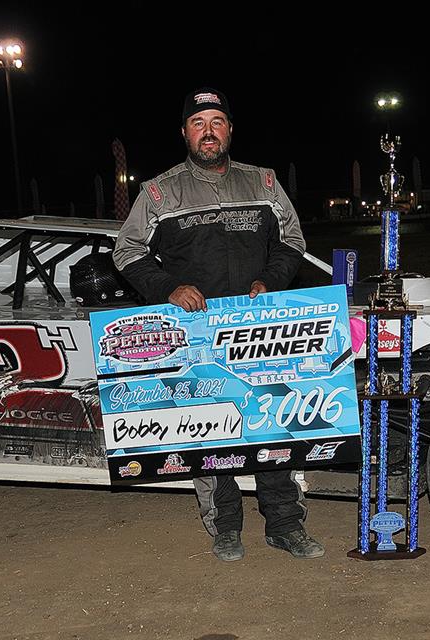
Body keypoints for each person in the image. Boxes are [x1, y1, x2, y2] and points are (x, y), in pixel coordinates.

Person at [113, 88, 319, 562]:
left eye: (217, 121)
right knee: (212, 436)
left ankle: (285, 525)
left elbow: (292, 240)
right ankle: (225, 527)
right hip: (196, 335)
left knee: (273, 429)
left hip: (262, 331)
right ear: (185, 132)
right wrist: (167, 289)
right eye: (198, 122)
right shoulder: (159, 192)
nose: (208, 131)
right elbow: (127, 252)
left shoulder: (265, 183)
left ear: (230, 129)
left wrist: (272, 279)